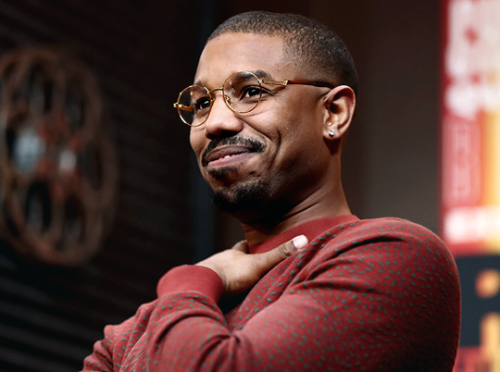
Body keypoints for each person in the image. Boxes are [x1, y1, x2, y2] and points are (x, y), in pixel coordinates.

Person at [82, 11, 461, 372]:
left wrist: (190, 282)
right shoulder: (135, 331)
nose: (215, 123)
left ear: (334, 113)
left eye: (250, 91)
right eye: (201, 103)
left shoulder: (396, 258)